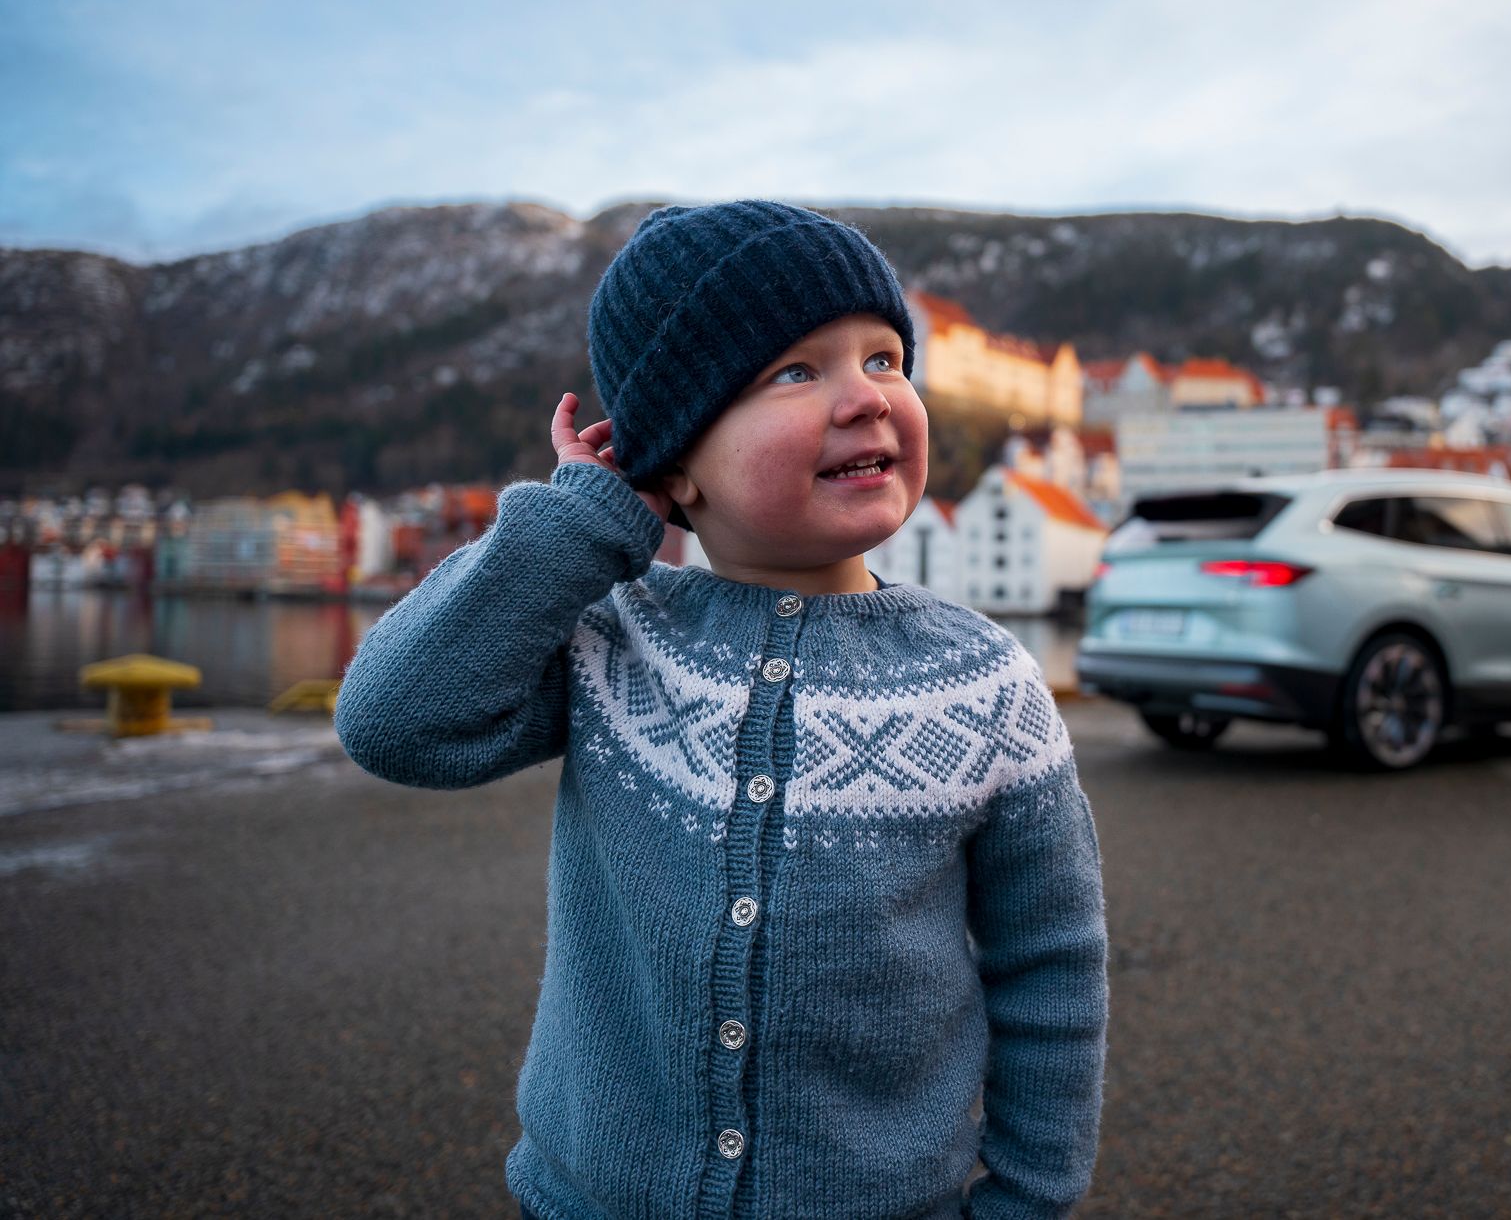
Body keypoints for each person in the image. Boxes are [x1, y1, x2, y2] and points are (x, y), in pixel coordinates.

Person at [334, 201, 1109, 1220]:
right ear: (673, 464)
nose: (865, 398)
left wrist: (1025, 1199)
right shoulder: (612, 636)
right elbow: (394, 721)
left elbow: (1050, 969)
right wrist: (582, 519)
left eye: (882, 359)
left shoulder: (983, 686)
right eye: (793, 372)